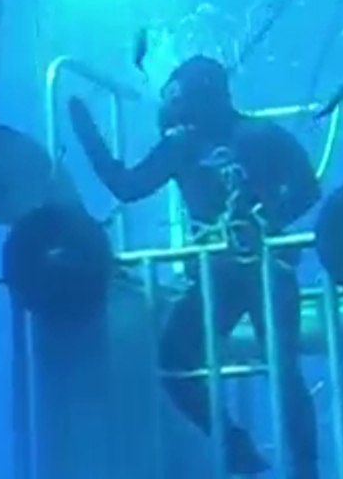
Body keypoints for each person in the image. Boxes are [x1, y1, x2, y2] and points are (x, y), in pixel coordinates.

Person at [68, 55, 322, 478]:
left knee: (267, 366)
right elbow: (308, 191)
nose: (174, 111)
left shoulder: (211, 142)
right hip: (237, 273)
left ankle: (276, 461)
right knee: (248, 365)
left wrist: (85, 130)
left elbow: (125, 185)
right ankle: (249, 452)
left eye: (178, 99)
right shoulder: (214, 141)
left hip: (255, 271)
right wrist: (270, 217)